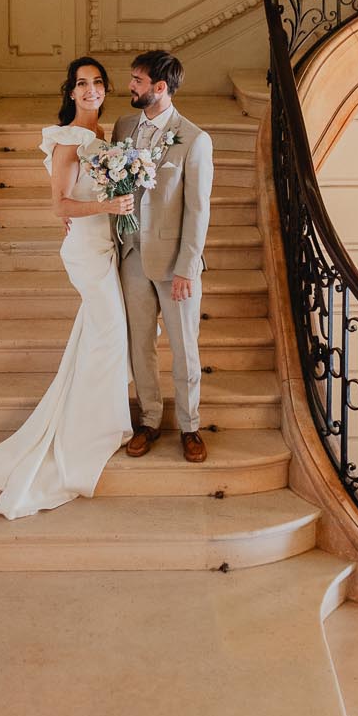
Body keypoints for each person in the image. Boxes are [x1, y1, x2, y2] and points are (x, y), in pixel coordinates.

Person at [0, 56, 134, 519]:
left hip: (105, 245)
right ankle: (89, 432)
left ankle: (104, 417)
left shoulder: (104, 135)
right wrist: (107, 207)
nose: (90, 90)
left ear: (105, 89)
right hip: (86, 250)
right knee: (109, 335)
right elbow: (60, 205)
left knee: (98, 335)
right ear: (70, 92)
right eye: (81, 84)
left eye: (97, 82)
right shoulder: (69, 140)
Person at [113, 50, 213, 464]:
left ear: (160, 87)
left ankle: (190, 427)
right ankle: (149, 420)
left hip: (174, 264)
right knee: (140, 345)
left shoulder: (194, 139)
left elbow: (198, 210)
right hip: (131, 256)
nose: (130, 86)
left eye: (137, 81)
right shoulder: (123, 127)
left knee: (184, 348)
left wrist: (188, 267)